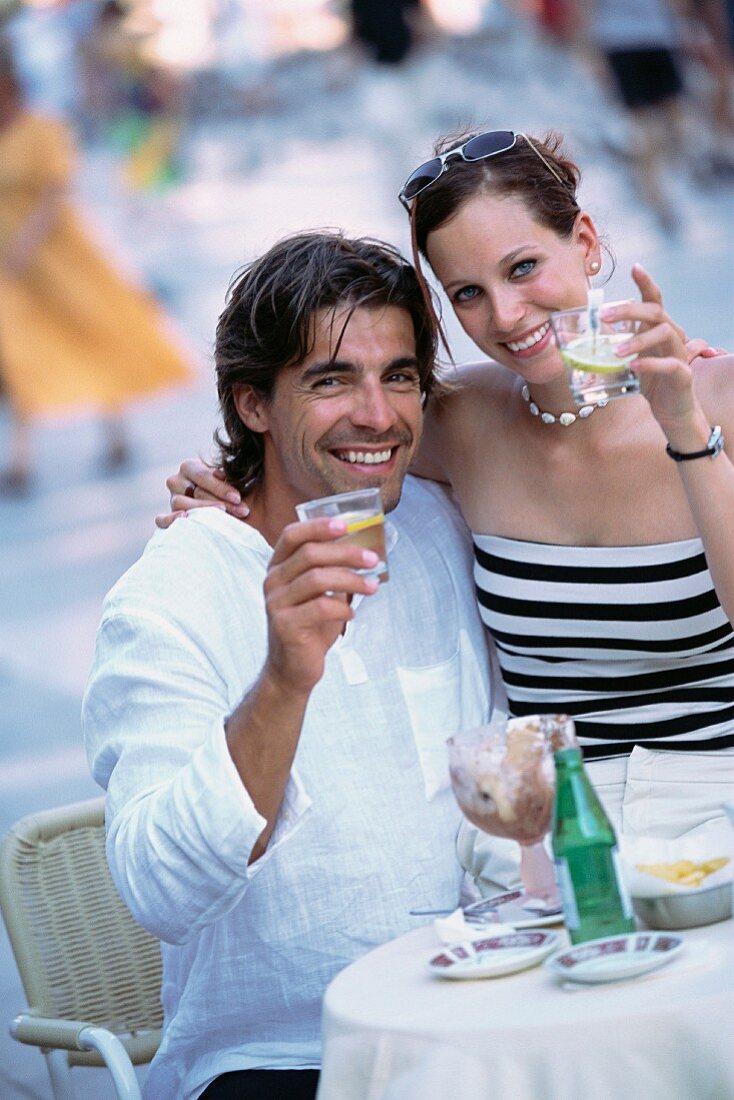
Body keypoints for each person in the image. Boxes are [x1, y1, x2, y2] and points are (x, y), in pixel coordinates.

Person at [169, 127, 734, 852]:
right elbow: (325, 441)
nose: (505, 315)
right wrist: (221, 487)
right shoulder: (463, 422)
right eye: (468, 293)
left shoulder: (715, 397)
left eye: (524, 267)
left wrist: (682, 423)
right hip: (560, 839)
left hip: (717, 802)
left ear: (586, 242)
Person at [82, 231, 494, 1100]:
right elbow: (161, 887)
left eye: (400, 376)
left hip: (479, 1024)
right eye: (332, 379)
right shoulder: (172, 595)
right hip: (285, 1061)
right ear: (254, 404)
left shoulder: (441, 526)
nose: (377, 415)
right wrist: (284, 679)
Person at [0, 37, 193, 493]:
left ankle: (115, 431)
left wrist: (26, 242)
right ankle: (21, 456)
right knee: (19, 351)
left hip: (60, 257)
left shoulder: (42, 129)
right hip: (13, 271)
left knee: (95, 334)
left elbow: (54, 193)